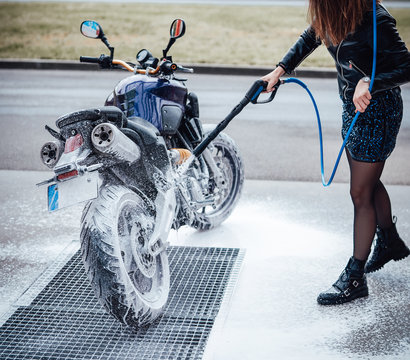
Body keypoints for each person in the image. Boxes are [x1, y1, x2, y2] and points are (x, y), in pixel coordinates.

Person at [262, 0, 410, 305]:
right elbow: (309, 37)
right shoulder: (334, 13)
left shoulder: (376, 18)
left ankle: (355, 278)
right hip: (351, 108)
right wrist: (278, 71)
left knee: (360, 193)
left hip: (378, 110)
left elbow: (407, 66)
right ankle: (389, 241)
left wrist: (369, 81)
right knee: (367, 183)